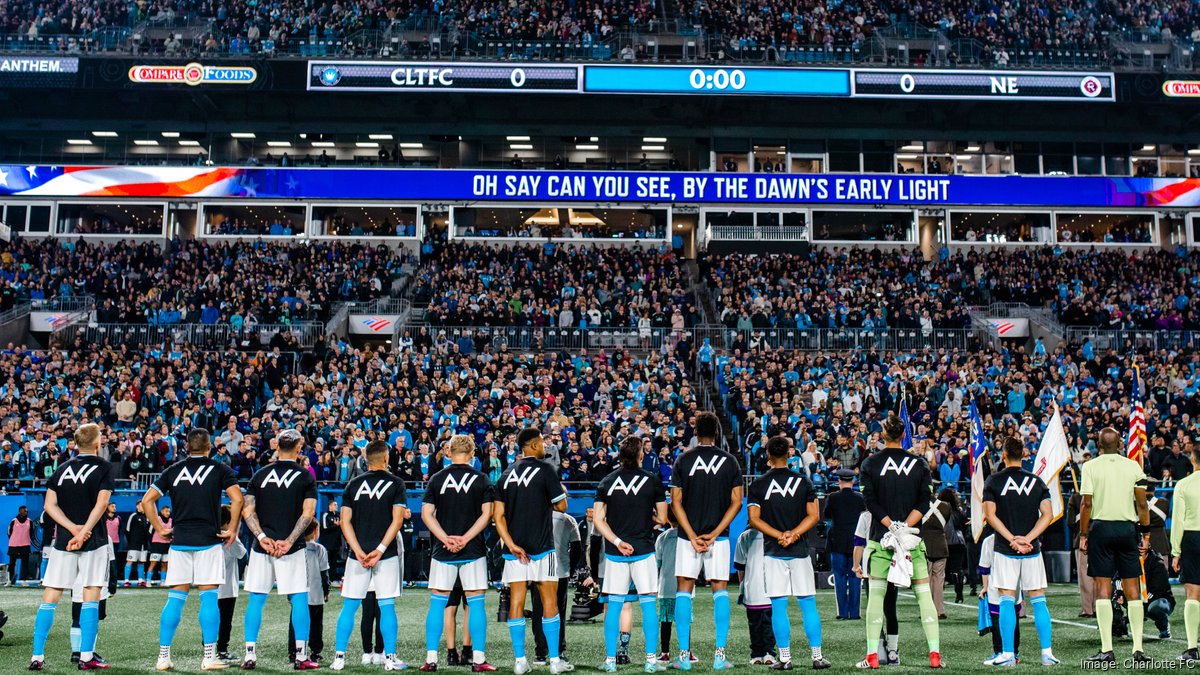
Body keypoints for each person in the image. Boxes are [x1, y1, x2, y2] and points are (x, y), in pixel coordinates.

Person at [142, 427, 243, 671]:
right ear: (209, 447)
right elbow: (238, 499)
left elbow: (147, 500)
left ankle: (163, 657)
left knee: (175, 600)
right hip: (208, 541)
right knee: (209, 599)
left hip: (180, 541)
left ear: (187, 447)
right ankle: (209, 657)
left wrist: (160, 527)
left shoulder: (173, 470)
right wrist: (233, 530)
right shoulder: (220, 469)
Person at [858, 412, 941, 669]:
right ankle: (934, 655)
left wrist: (891, 526)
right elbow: (923, 502)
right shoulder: (919, 464)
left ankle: (873, 654)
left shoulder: (870, 464)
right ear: (904, 435)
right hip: (911, 540)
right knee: (924, 595)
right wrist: (905, 526)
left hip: (880, 540)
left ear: (883, 436)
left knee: (876, 596)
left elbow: (870, 502)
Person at [30, 423, 114, 671]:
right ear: (97, 444)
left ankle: (37, 656)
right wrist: (85, 530)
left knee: (50, 598)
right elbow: (102, 503)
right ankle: (86, 657)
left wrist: (73, 528)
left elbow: (49, 506)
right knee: (90, 597)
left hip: (63, 542)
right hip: (94, 542)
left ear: (76, 444)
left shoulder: (62, 469)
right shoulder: (103, 467)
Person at [240, 429, 319, 670]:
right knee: (299, 600)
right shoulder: (305, 476)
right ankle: (301, 656)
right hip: (291, 548)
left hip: (261, 547)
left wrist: (263, 537)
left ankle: (250, 655)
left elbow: (247, 511)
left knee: (256, 599)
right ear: (298, 448)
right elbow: (308, 514)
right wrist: (289, 540)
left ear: (277, 447)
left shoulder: (259, 475)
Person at [493, 427, 571, 675]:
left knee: (516, 601)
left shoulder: (505, 474)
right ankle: (555, 661)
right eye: (542, 443)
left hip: (514, 550)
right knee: (549, 600)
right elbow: (561, 504)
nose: (545, 447)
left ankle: (519, 661)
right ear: (533, 445)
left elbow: (498, 516)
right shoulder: (546, 469)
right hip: (542, 547)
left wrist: (511, 544)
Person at [668, 412, 742, 671]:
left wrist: (690, 535)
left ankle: (685, 657)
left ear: (696, 432)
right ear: (717, 433)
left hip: (687, 538)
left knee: (683, 591)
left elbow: (675, 502)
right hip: (717, 538)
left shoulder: (683, 460)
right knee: (720, 590)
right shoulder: (730, 461)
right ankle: (720, 656)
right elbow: (737, 502)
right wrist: (716, 532)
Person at [747, 436, 829, 670]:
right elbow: (814, 515)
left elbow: (754, 519)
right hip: (800, 550)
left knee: (779, 605)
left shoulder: (759, 484)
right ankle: (817, 657)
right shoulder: (804, 482)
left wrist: (779, 535)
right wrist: (793, 534)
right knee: (808, 604)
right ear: (790, 455)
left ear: (768, 456)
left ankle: (785, 658)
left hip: (774, 551)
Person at [421, 434, 497, 672]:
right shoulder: (481, 479)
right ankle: (478, 660)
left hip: (442, 551)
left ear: (448, 452)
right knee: (475, 604)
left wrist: (445, 539)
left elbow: (426, 514)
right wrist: (465, 538)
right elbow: (487, 515)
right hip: (472, 550)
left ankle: (431, 659)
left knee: (437, 605)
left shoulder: (436, 479)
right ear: (473, 454)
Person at [592, 435, 668, 673]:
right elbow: (663, 519)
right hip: (644, 551)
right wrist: (647, 516)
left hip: (616, 553)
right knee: (647, 607)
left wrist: (617, 540)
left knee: (614, 607)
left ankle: (610, 661)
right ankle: (651, 661)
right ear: (640, 455)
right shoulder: (653, 481)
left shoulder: (606, 481)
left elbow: (598, 520)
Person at [330, 439, 407, 672]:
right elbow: (398, 519)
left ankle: (339, 658)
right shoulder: (396, 483)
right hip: (386, 555)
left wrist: (359, 551)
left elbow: (344, 521)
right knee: (387, 606)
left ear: (365, 459)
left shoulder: (353, 484)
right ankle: (389, 659)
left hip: (359, 556)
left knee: (349, 607)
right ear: (386, 458)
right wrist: (381, 549)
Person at [981, 436, 1058, 667]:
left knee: (1006, 599)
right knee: (1038, 599)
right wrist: (1029, 539)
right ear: (1023, 454)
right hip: (1031, 550)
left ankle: (1007, 654)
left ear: (1003, 454)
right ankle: (1047, 653)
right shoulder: (1037, 482)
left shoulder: (993, 481)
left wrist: (1012, 539)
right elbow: (1048, 514)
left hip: (1006, 550)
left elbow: (990, 515)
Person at [1079, 427, 1151, 665]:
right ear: (1120, 444)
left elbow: (1086, 504)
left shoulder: (1090, 466)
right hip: (1127, 529)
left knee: (1102, 587)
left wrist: (1083, 534)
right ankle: (1138, 650)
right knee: (1132, 588)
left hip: (1100, 529)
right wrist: (1146, 533)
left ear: (1098, 446)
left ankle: (1107, 651)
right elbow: (1142, 503)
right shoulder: (1132, 466)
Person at [534, 510, 580, 665]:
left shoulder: (538, 515)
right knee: (558, 611)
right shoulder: (569, 520)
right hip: (560, 572)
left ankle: (540, 653)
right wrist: (570, 569)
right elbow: (576, 548)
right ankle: (559, 651)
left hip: (539, 570)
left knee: (539, 610)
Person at [1170, 442, 1200, 663]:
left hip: (1192, 538)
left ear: (1193, 460)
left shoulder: (1183, 484)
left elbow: (1178, 521)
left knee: (1193, 594)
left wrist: (1175, 551)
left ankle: (1191, 649)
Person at [823, 470, 864, 620]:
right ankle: (854, 613)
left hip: (837, 542)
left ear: (839, 482)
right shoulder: (860, 498)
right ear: (852, 482)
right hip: (856, 543)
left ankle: (842, 613)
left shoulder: (833, 498)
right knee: (855, 577)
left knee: (839, 578)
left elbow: (826, 514)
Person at [288, 524, 330, 664]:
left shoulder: (295, 549)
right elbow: (325, 573)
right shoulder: (320, 549)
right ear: (316, 531)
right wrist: (326, 591)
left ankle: (294, 652)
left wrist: (289, 594)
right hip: (316, 593)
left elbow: (290, 574)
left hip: (298, 593)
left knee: (295, 623)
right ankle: (315, 652)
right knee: (316, 625)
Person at [977, 534, 1022, 663]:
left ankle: (999, 652)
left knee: (997, 622)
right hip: (1015, 588)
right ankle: (1014, 652)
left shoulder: (989, 540)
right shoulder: (1018, 539)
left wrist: (985, 587)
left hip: (996, 588)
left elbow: (984, 567)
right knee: (1014, 621)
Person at [733, 528, 775, 665]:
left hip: (752, 587)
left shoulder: (744, 536)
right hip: (772, 586)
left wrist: (742, 586)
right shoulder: (773, 532)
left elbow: (740, 565)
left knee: (755, 623)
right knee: (769, 622)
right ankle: (769, 653)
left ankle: (757, 655)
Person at [216, 506, 247, 664]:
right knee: (225, 620)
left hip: (210, 587)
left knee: (212, 617)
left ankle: (208, 646)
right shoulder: (232, 538)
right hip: (227, 588)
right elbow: (243, 554)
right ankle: (221, 650)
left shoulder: (210, 536)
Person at [920, 489, 954, 619]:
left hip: (924, 545)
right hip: (940, 545)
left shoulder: (918, 505)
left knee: (925, 580)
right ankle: (939, 610)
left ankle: (927, 610)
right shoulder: (946, 506)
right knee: (939, 580)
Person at [653, 514, 679, 665]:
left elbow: (658, 561)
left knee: (665, 621)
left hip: (665, 585)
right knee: (684, 620)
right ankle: (686, 652)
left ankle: (664, 653)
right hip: (684, 586)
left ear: (668, 519)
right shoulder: (687, 536)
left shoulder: (662, 537)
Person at [124, 502, 151, 586]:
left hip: (143, 545)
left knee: (142, 562)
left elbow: (148, 531)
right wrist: (132, 541)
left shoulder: (147, 517)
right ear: (137, 506)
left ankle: (140, 580)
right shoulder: (133, 516)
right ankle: (126, 581)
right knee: (130, 561)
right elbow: (127, 530)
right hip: (134, 544)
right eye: (141, 505)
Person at [147, 506, 173, 586]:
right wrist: (153, 542)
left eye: (169, 511)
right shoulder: (157, 519)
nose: (167, 513)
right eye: (166, 511)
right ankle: (148, 581)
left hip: (167, 545)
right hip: (156, 545)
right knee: (153, 563)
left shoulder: (171, 521)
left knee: (165, 564)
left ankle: (163, 581)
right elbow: (150, 532)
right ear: (162, 511)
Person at [9, 505, 32, 584]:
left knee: (25, 563)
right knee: (12, 563)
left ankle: (23, 580)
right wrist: (15, 540)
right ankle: (10, 580)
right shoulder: (13, 521)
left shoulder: (30, 521)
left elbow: (31, 533)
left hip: (25, 545)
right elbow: (9, 532)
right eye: (24, 511)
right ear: (20, 511)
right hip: (14, 546)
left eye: (26, 511)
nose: (26, 512)